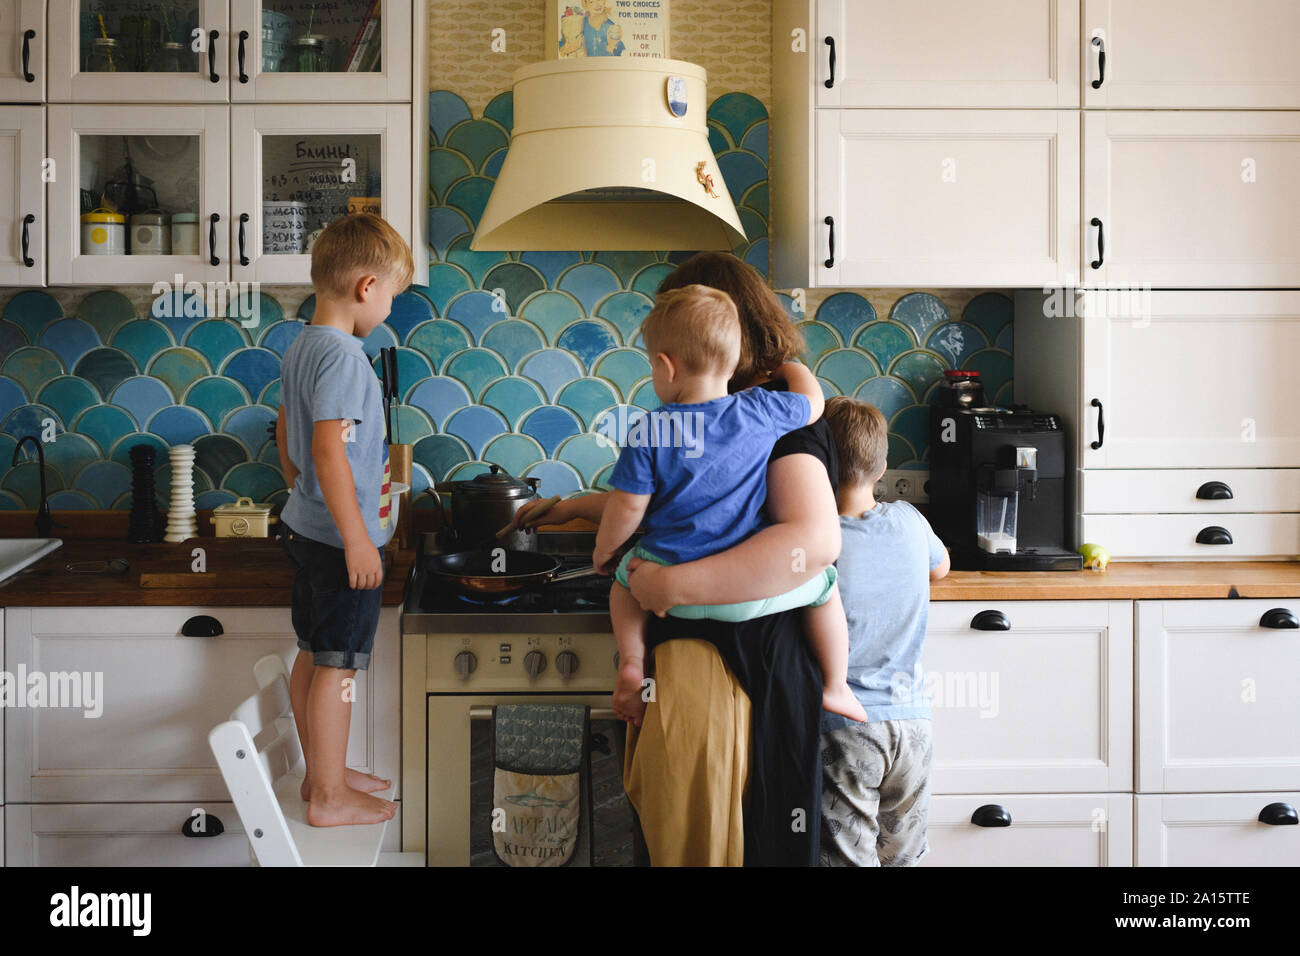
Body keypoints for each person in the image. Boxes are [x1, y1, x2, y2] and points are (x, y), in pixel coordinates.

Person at [516, 252, 839, 866]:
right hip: (697, 666)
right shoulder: (758, 410)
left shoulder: (767, 418)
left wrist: (667, 582)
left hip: (738, 666)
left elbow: (812, 543)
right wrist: (572, 508)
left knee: (719, 843)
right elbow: (670, 501)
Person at [594, 284, 866, 727]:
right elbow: (813, 404)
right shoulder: (760, 411)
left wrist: (606, 553)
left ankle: (631, 662)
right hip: (746, 595)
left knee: (623, 585)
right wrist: (790, 366)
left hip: (664, 583)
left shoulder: (650, 429)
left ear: (665, 366)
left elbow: (627, 509)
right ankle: (836, 686)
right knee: (824, 584)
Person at [275, 213, 413, 827]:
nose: (388, 309)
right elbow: (330, 448)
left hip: (308, 532)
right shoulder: (348, 358)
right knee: (340, 665)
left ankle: (320, 776)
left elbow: (288, 431)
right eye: (391, 296)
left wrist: (298, 488)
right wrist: (359, 539)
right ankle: (329, 799)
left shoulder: (303, 346)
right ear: (366, 286)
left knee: (313, 653)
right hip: (340, 543)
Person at [818, 397, 950, 866]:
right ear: (883, 464)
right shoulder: (911, 521)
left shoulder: (818, 539)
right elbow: (941, 568)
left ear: (818, 465)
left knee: (848, 858)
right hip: (912, 723)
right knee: (903, 859)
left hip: (848, 728)